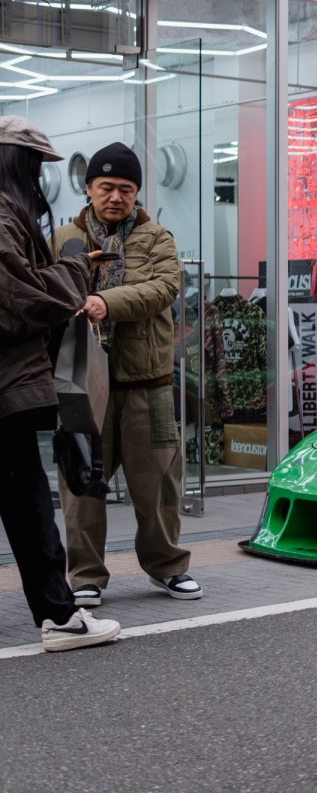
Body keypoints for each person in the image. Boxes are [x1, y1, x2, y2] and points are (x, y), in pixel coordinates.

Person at [54, 142, 202, 605]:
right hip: (82, 387)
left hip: (148, 385)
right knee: (82, 488)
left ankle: (166, 567)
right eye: (106, 187)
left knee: (158, 483)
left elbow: (162, 288)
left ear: (137, 192)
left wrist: (103, 301)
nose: (116, 197)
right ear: (89, 188)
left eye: (126, 189)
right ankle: (85, 577)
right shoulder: (63, 240)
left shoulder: (157, 238)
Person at [0, 116, 121, 651]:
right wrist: (73, 270)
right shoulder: (3, 214)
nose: (38, 179)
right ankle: (61, 617)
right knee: (28, 506)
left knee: (26, 501)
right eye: (34, 165)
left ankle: (60, 613)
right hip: (6, 384)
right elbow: (24, 299)